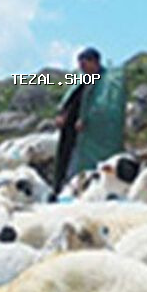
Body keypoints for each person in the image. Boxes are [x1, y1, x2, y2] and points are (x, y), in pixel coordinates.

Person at [51, 47, 126, 200]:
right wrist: (62, 116)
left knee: (93, 170)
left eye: (85, 64)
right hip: (72, 134)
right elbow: (70, 102)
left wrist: (88, 120)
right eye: (80, 64)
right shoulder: (81, 79)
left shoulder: (109, 82)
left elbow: (108, 110)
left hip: (92, 137)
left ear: (95, 62)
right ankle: (64, 192)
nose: (82, 67)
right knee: (67, 166)